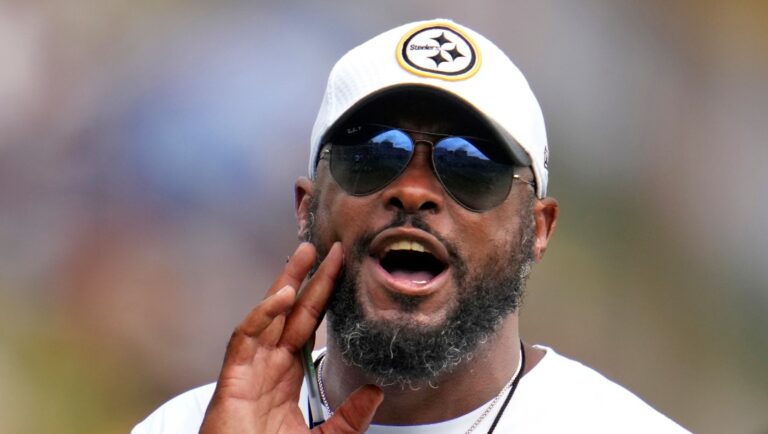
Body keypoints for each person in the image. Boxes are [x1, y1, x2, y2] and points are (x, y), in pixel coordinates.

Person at [132, 18, 690, 433]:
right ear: (307, 206)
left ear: (538, 228)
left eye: (470, 164)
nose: (414, 191)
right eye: (374, 153)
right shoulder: (186, 427)